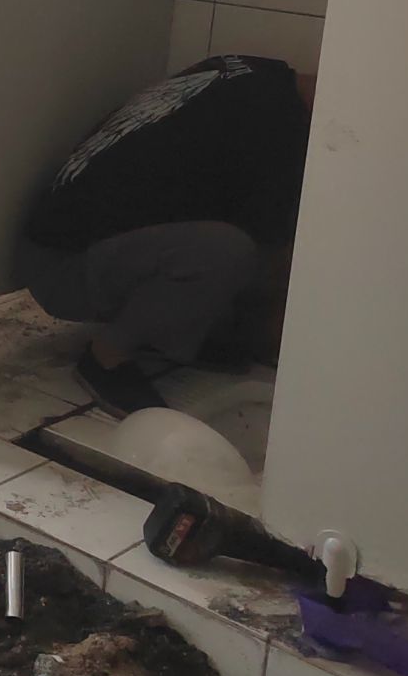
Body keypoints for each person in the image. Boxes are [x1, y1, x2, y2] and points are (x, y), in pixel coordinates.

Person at [19, 53, 313, 415]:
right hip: (62, 268)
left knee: (232, 248)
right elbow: (275, 259)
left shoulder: (256, 72)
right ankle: (106, 359)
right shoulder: (278, 133)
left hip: (57, 241)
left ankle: (166, 335)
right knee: (229, 252)